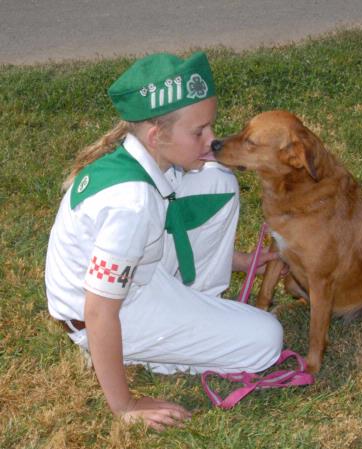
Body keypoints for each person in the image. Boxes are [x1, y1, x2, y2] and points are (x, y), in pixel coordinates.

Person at [45, 52, 283, 431]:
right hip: (113, 314)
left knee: (217, 180)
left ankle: (197, 310)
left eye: (211, 127)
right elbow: (98, 311)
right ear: (157, 136)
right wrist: (125, 405)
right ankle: (160, 351)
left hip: (136, 280)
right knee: (267, 339)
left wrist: (237, 260)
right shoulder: (132, 205)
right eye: (199, 132)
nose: (212, 139)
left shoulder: (145, 159)